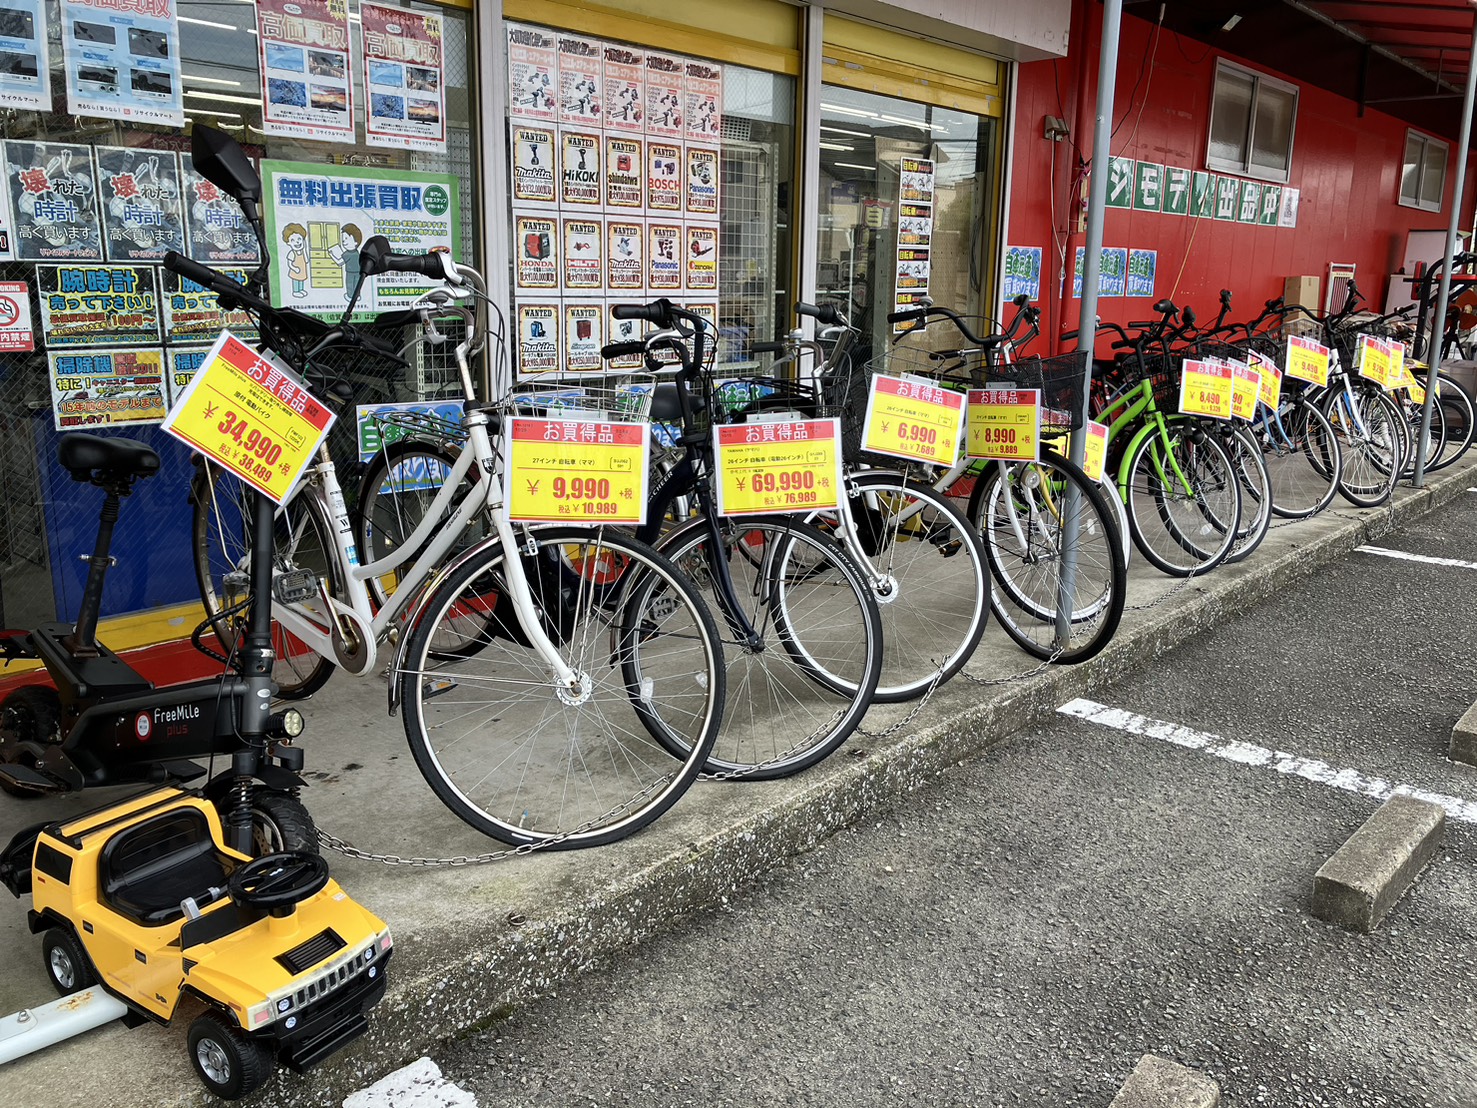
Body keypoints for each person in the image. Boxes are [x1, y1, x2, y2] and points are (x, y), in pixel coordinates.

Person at [329, 223, 363, 302]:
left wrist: (331, 255)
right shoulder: (357, 252)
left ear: (356, 242)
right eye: (343, 240)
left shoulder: (347, 254)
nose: (344, 242)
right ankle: (357, 296)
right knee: (357, 285)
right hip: (359, 272)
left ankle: (350, 296)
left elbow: (339, 262)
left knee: (350, 285)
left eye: (346, 239)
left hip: (350, 272)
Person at [282, 223, 309, 298]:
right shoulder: (292, 253)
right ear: (288, 243)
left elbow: (306, 260)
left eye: (299, 239)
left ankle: (301, 290)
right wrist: (294, 268)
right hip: (295, 271)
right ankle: (296, 291)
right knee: (296, 281)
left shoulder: (303, 252)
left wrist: (305, 248)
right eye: (293, 240)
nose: (297, 242)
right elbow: (289, 264)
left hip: (302, 271)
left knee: (301, 281)